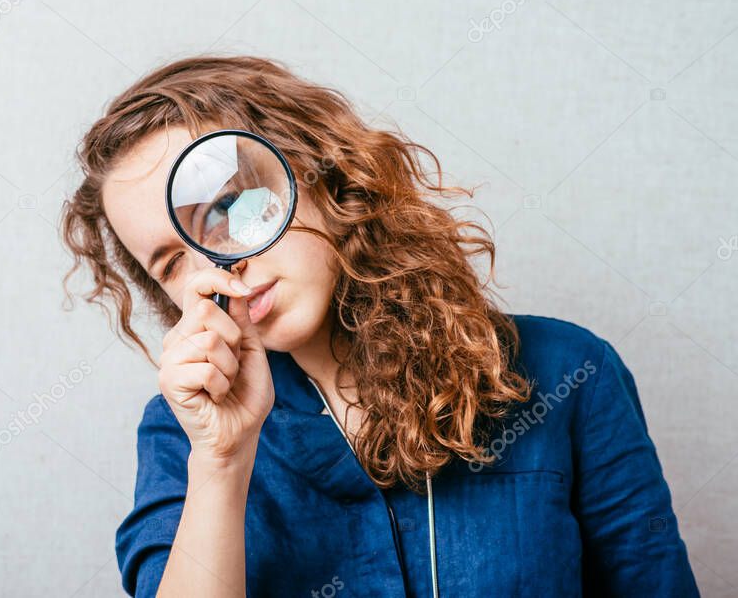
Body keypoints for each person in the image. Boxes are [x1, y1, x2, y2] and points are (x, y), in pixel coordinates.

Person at [60, 55, 698, 597]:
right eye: (173, 262)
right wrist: (222, 464)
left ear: (322, 174)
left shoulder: (568, 373)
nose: (220, 263)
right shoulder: (185, 433)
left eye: (231, 204)